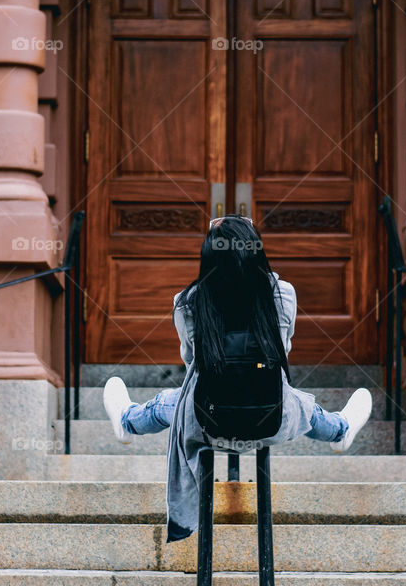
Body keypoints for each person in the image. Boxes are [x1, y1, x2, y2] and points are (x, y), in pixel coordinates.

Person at [102, 215, 373, 542]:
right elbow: (282, 351)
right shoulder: (282, 294)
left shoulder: (187, 301)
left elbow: (191, 365)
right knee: (304, 407)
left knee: (167, 404)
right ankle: (340, 431)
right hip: (270, 421)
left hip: (206, 424)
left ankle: (128, 422)